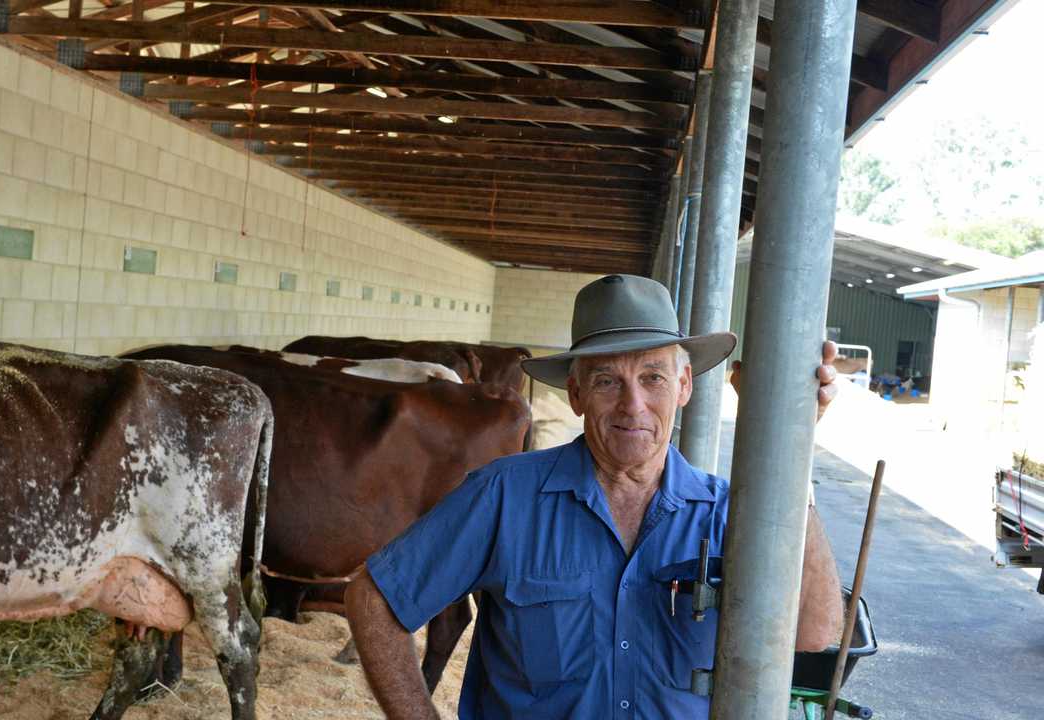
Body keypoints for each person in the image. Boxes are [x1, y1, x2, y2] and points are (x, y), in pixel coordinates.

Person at [346, 274, 844, 719]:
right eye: (607, 380)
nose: (634, 405)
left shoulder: (726, 514)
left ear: (685, 384)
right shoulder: (505, 496)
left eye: (653, 377)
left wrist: (793, 451)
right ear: (575, 394)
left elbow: (813, 633)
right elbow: (374, 599)